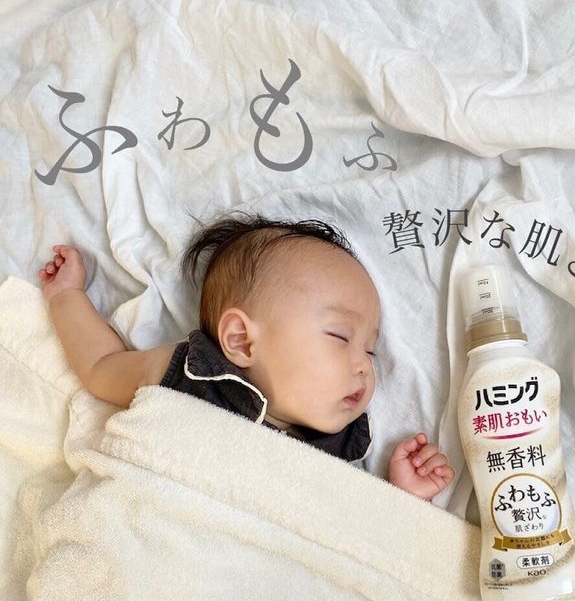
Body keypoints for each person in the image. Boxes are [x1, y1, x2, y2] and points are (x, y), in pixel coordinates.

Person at [38, 212, 455, 501]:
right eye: (339, 335)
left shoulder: (338, 451)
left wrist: (401, 497)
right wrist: (66, 297)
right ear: (241, 339)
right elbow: (100, 367)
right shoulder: (188, 376)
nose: (364, 364)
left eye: (369, 349)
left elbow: (345, 543)